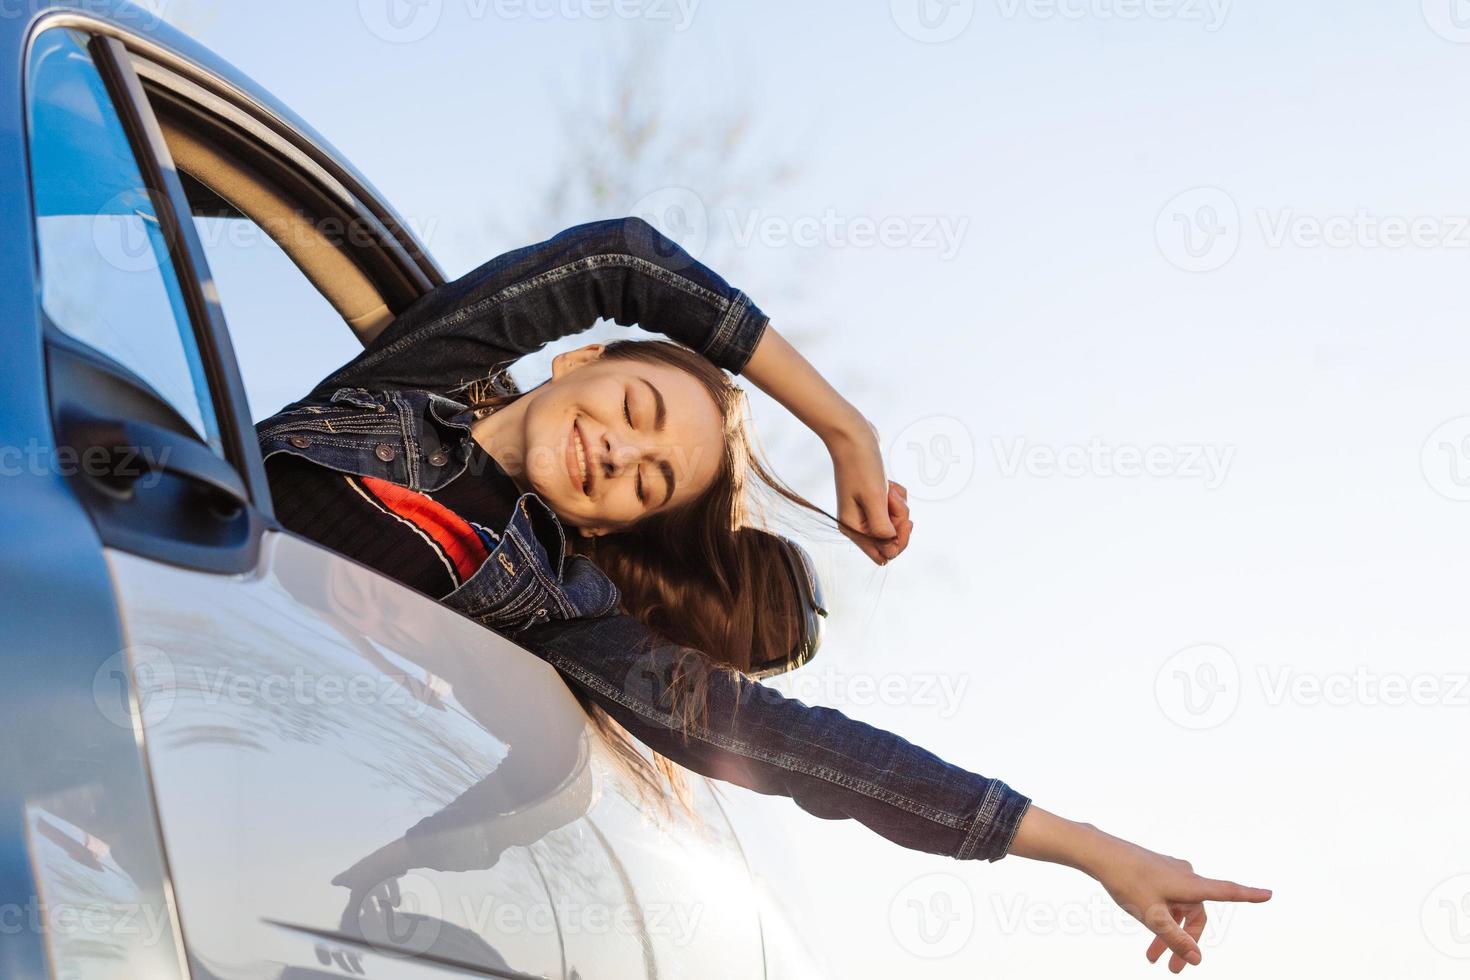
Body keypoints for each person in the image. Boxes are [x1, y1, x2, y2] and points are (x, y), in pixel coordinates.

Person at [257, 217, 1271, 972]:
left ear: (609, 526)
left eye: (650, 480)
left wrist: (1084, 846)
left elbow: (805, 749)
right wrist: (845, 431)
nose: (622, 449)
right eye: (637, 406)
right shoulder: (408, 379)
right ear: (581, 358)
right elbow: (624, 259)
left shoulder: (557, 604)